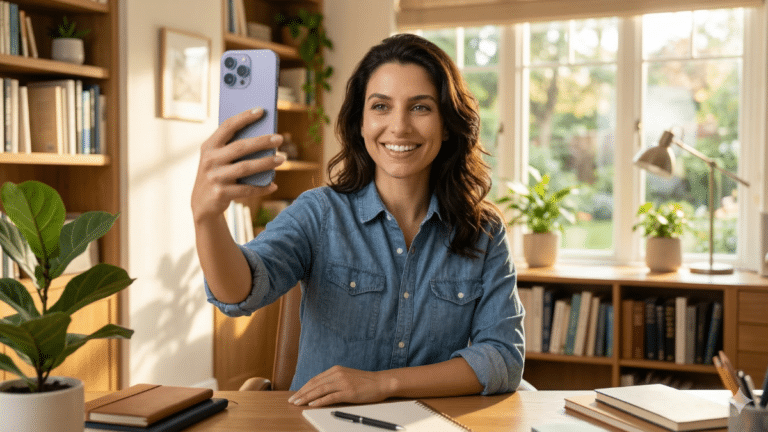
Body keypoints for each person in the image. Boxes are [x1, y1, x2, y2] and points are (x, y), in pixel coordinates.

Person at [191, 33, 524, 408]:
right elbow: (240, 293)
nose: (399, 126)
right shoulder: (319, 213)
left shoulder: (484, 231)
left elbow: (503, 358)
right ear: (361, 123)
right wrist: (207, 218)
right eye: (381, 106)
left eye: (420, 107)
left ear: (447, 124)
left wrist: (383, 384)